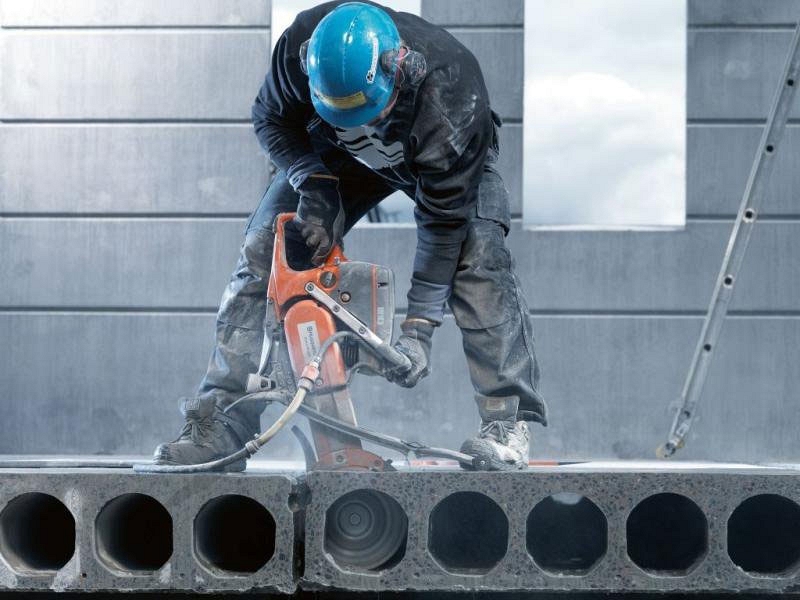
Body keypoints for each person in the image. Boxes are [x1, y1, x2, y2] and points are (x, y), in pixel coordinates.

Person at [153, 0, 546, 471]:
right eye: (346, 112)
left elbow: (444, 225)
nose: (363, 122)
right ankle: (222, 423)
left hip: (435, 158)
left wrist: (419, 329)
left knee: (478, 255)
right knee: (266, 248)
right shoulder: (300, 49)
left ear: (401, 71)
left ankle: (506, 424)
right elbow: (270, 119)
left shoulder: (452, 98)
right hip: (333, 155)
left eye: (368, 111)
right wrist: (313, 182)